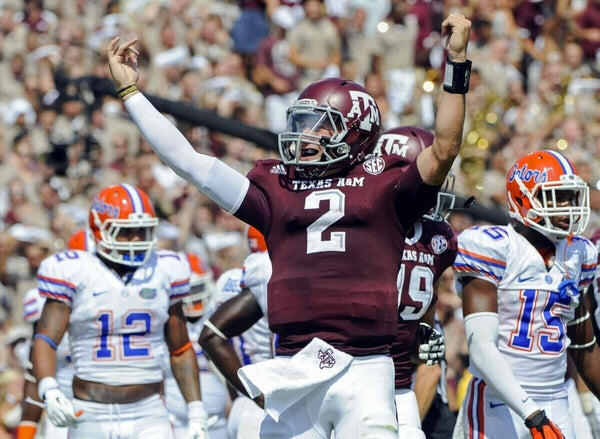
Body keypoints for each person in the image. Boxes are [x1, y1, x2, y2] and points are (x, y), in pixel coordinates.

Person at [107, 12, 471, 437]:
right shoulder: (277, 186)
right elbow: (191, 164)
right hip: (295, 367)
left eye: (321, 126)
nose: (306, 136)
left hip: (366, 369)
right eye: (302, 124)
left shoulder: (384, 185)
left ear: (357, 134)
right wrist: (131, 93)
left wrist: (456, 63)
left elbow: (444, 148)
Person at [31, 184, 210, 439]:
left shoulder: (164, 270)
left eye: (142, 230)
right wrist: (49, 389)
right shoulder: (76, 271)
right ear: (99, 229)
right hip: (89, 411)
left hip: (148, 412)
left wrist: (197, 411)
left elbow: (180, 348)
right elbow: (45, 339)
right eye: (126, 231)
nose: (136, 239)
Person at [453, 150, 600, 439]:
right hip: (497, 402)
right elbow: (481, 347)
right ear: (523, 199)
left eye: (571, 197)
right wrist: (532, 414)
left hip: (556, 400)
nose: (568, 207)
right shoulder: (496, 248)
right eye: (557, 197)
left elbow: (585, 347)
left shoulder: (578, 254)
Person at [373, 126, 458, 439]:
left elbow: (428, 352)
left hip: (399, 387)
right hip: (382, 384)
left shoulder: (437, 239)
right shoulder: (433, 239)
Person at [200, 226, 274, 439]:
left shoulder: (226, 279)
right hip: (267, 397)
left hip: (241, 398)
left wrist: (238, 393)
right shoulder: (272, 275)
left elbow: (218, 345)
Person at [17, 229, 89, 439]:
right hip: (63, 407)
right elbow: (34, 372)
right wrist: (26, 432)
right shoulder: (44, 301)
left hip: (122, 406)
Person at [162, 252, 229, 439]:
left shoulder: (220, 314)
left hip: (219, 418)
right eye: (186, 291)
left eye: (196, 288)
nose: (192, 296)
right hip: (174, 419)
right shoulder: (165, 319)